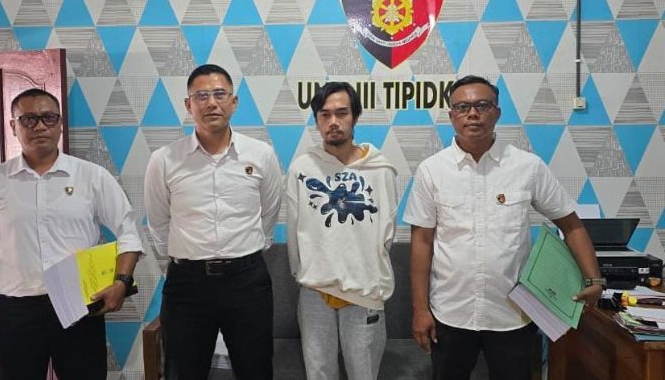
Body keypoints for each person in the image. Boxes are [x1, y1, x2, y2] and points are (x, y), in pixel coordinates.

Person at [404, 75, 604, 380]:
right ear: (452, 115)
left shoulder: (527, 167)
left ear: (497, 112)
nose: (473, 114)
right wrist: (420, 310)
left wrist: (595, 278)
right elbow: (421, 242)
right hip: (450, 312)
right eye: (463, 107)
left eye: (482, 105)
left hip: (513, 314)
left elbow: (571, 224)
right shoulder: (431, 171)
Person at [0, 88, 144, 380]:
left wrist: (121, 283)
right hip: (15, 312)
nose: (40, 126)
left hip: (79, 307)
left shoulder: (92, 176)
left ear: (59, 124)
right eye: (28, 119)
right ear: (13, 126)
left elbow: (129, 231)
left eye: (48, 118)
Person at [144, 64, 282, 380]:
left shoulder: (260, 154)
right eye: (201, 96)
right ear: (188, 105)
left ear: (234, 102)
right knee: (183, 371)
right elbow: (159, 223)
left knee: (256, 370)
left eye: (220, 94)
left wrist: (243, 253)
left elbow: (270, 213)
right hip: (188, 285)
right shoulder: (164, 160)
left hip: (247, 281)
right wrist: (188, 257)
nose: (211, 103)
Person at [287, 82, 398, 380]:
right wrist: (306, 276)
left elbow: (387, 233)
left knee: (364, 374)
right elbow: (295, 230)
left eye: (341, 113)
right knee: (319, 374)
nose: (333, 122)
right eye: (325, 115)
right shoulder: (302, 169)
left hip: (364, 292)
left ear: (355, 116)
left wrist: (364, 273)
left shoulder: (381, 170)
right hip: (315, 290)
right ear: (316, 120)